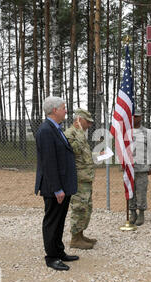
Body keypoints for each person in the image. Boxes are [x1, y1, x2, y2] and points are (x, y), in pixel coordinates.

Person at [35, 96, 79, 271]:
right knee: (52, 221)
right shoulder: (46, 130)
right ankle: (51, 257)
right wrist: (57, 189)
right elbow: (49, 163)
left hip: (62, 184)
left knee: (60, 220)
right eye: (63, 108)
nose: (65, 110)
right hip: (54, 187)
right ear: (54, 110)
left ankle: (59, 252)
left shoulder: (56, 128)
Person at [64, 109, 97, 250]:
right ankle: (75, 239)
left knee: (86, 208)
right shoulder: (70, 134)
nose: (89, 124)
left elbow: (82, 155)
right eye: (87, 121)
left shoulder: (80, 134)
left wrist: (97, 154)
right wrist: (78, 132)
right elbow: (75, 150)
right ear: (79, 119)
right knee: (79, 208)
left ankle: (81, 235)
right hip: (77, 180)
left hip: (85, 179)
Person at [129, 108, 151, 226]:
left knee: (141, 191)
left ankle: (141, 213)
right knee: (130, 191)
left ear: (141, 117)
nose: (135, 118)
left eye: (137, 116)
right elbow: (121, 149)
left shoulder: (147, 132)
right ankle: (132, 212)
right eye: (133, 116)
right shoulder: (126, 132)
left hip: (142, 168)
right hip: (129, 168)